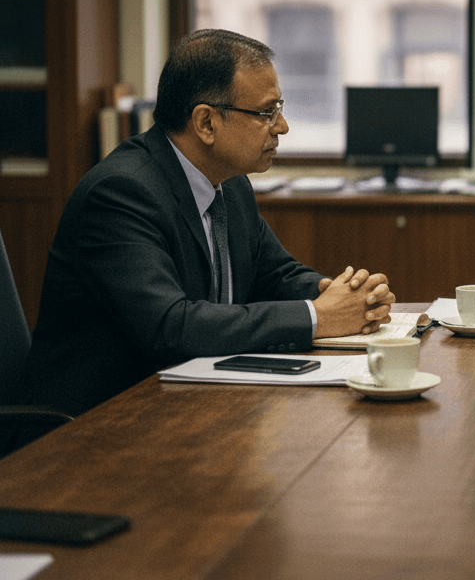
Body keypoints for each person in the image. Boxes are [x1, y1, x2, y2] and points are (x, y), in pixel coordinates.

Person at [22, 30, 394, 417]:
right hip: (94, 423)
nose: (282, 127)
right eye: (266, 113)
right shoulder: (121, 193)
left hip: (184, 402)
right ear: (206, 123)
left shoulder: (230, 184)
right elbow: (170, 326)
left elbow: (275, 274)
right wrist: (318, 317)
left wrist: (345, 296)